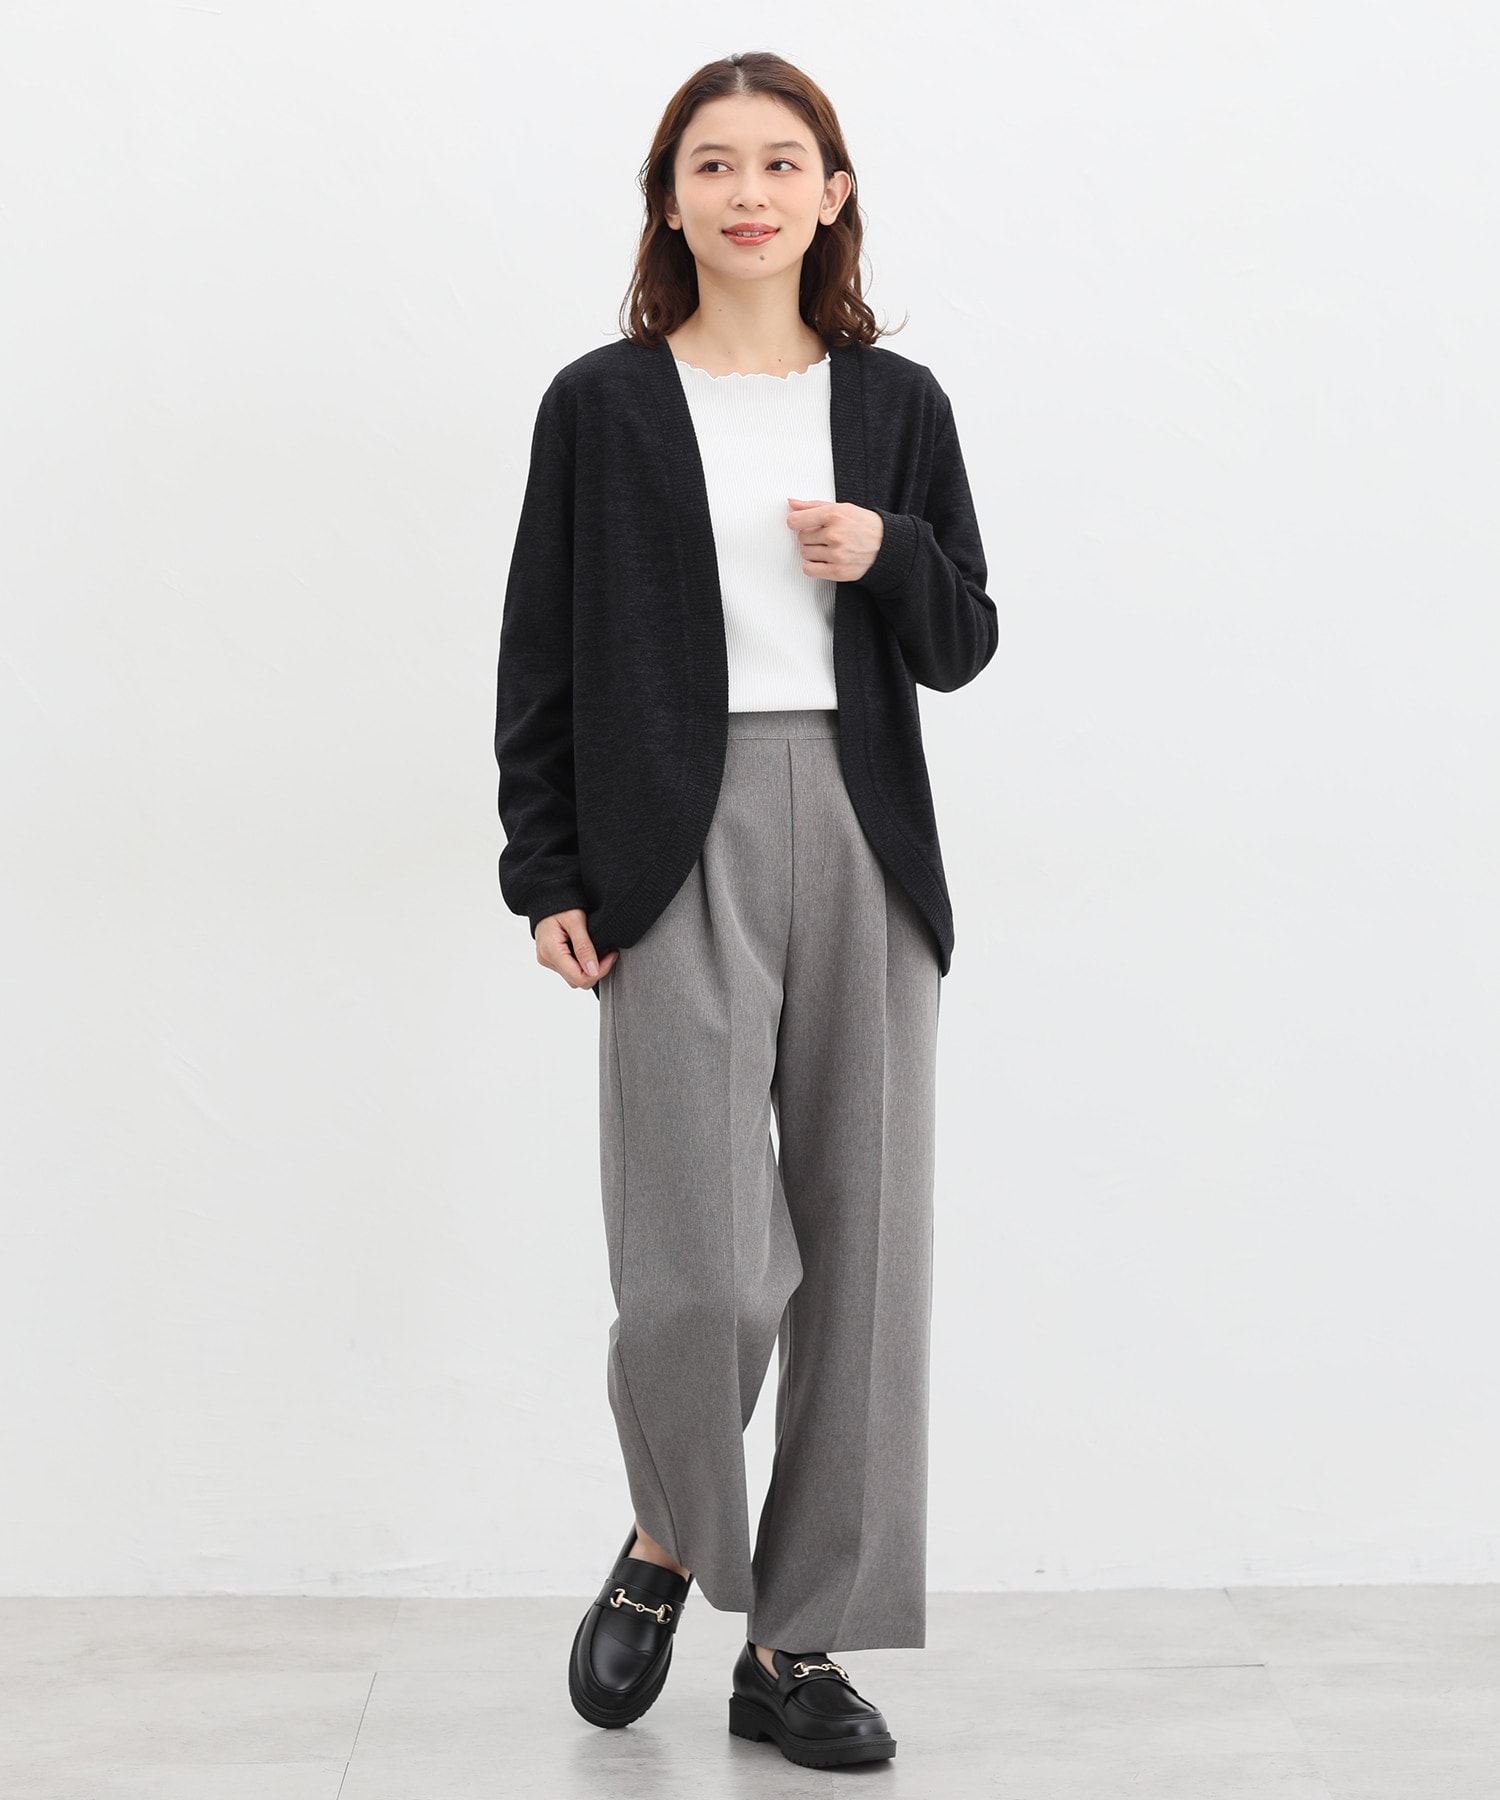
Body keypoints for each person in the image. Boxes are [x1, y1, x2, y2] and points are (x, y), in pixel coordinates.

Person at [494, 50, 997, 1770]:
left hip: (864, 832)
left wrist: (888, 553)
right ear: (671, 199)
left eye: (784, 161)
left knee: (865, 1262)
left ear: (833, 194)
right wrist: (545, 867)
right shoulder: (602, 403)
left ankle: (794, 1649)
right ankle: (671, 1533)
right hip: (669, 836)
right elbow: (540, 647)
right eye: (713, 163)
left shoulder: (899, 403)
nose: (750, 191)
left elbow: (964, 639)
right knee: (699, 1267)